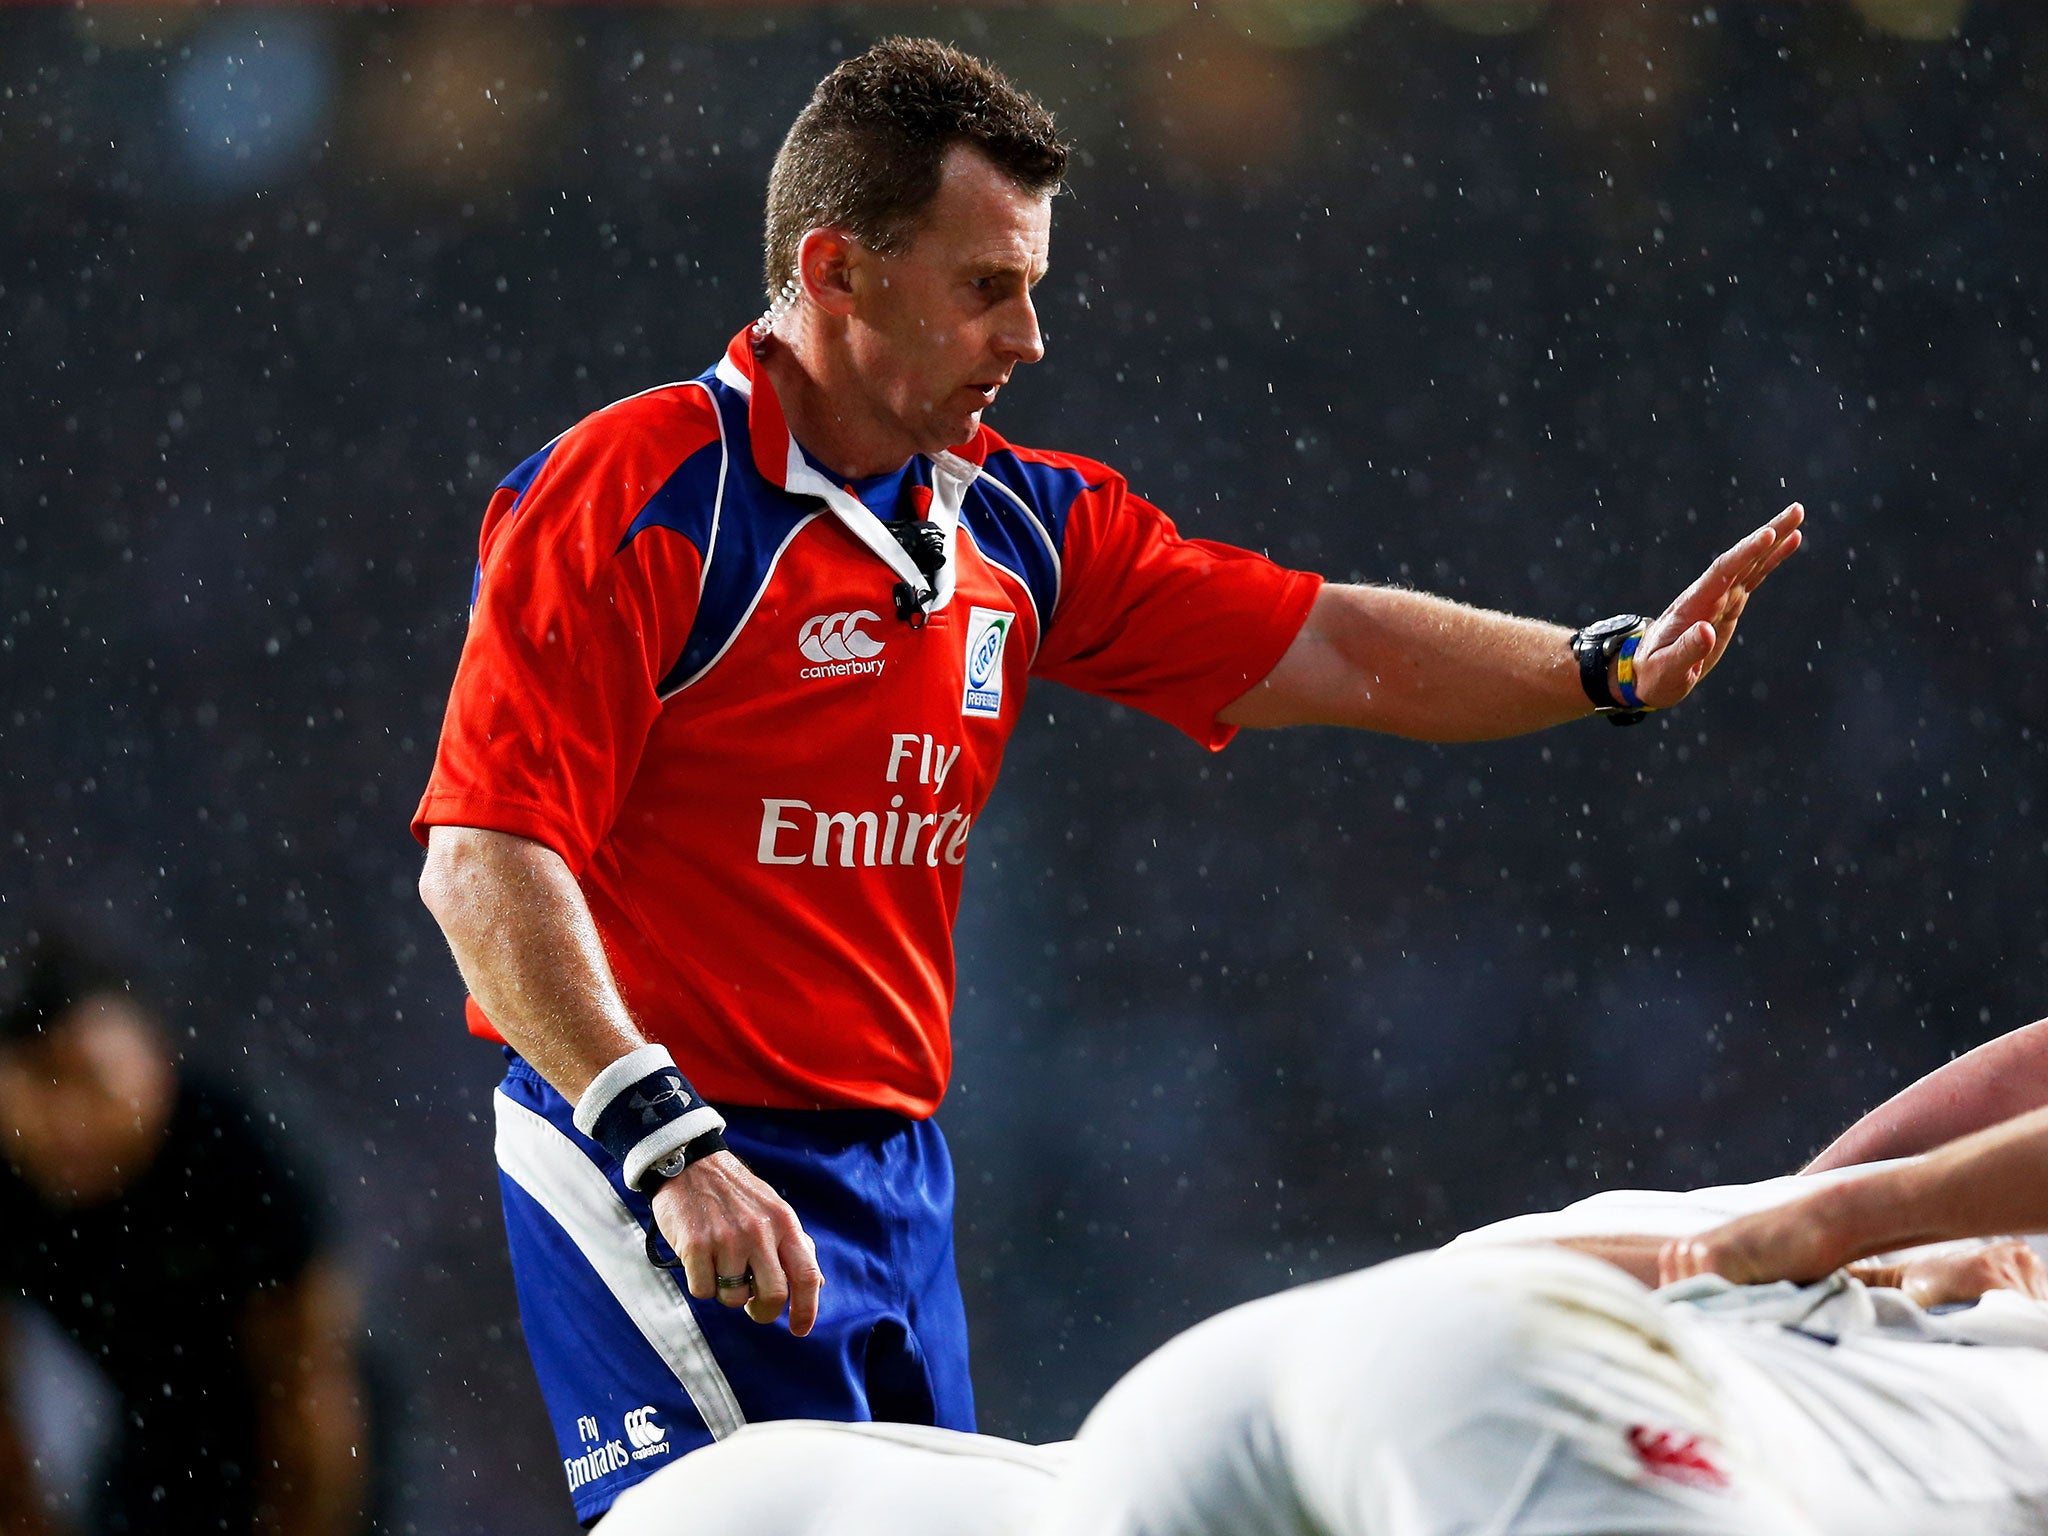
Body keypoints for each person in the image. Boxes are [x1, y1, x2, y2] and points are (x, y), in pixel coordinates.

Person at [411, 36, 1803, 1522]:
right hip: (666, 1151)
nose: (1029, 339)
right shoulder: (635, 496)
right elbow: (481, 858)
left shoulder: (1016, 522)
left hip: (894, 1170)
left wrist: (1596, 665)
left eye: (1035, 287)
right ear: (836, 271)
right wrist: (667, 1144)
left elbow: (1328, 644)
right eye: (986, 287)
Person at [0, 927, 368, 1536]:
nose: (69, 1121)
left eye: (91, 1078)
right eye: (38, 1087)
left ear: (153, 1063)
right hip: (152, 1421)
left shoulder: (232, 1157)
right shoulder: (12, 1184)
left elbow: (308, 1390)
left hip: (300, 1413)